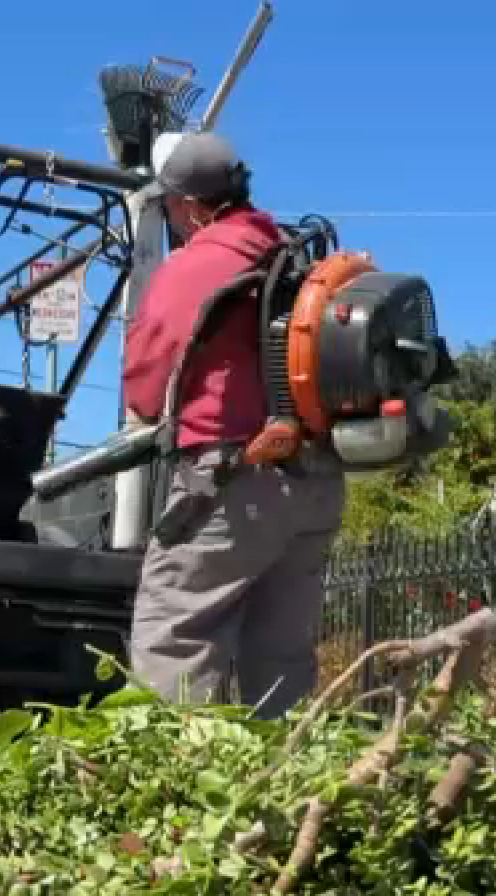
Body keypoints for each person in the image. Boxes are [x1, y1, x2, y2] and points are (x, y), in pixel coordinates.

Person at [119, 133, 346, 718]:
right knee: (279, 657)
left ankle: (170, 794)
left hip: (231, 477)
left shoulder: (195, 265)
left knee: (176, 633)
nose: (171, 218)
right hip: (316, 478)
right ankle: (281, 791)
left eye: (170, 207)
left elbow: (146, 385)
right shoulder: (292, 252)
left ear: (192, 206)